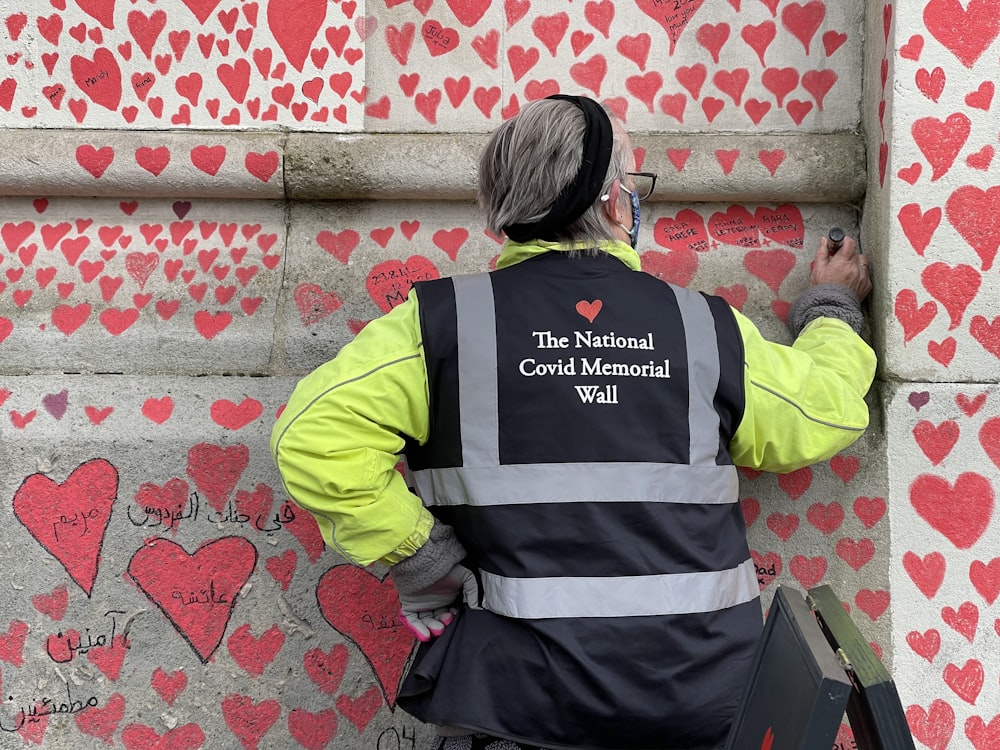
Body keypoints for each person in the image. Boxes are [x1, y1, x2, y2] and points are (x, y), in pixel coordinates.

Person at [270, 95, 875, 750]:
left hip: (513, 710)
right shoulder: (701, 327)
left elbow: (312, 439)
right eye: (635, 184)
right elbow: (822, 410)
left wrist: (422, 558)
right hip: (696, 703)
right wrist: (832, 306)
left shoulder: (442, 325)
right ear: (617, 204)